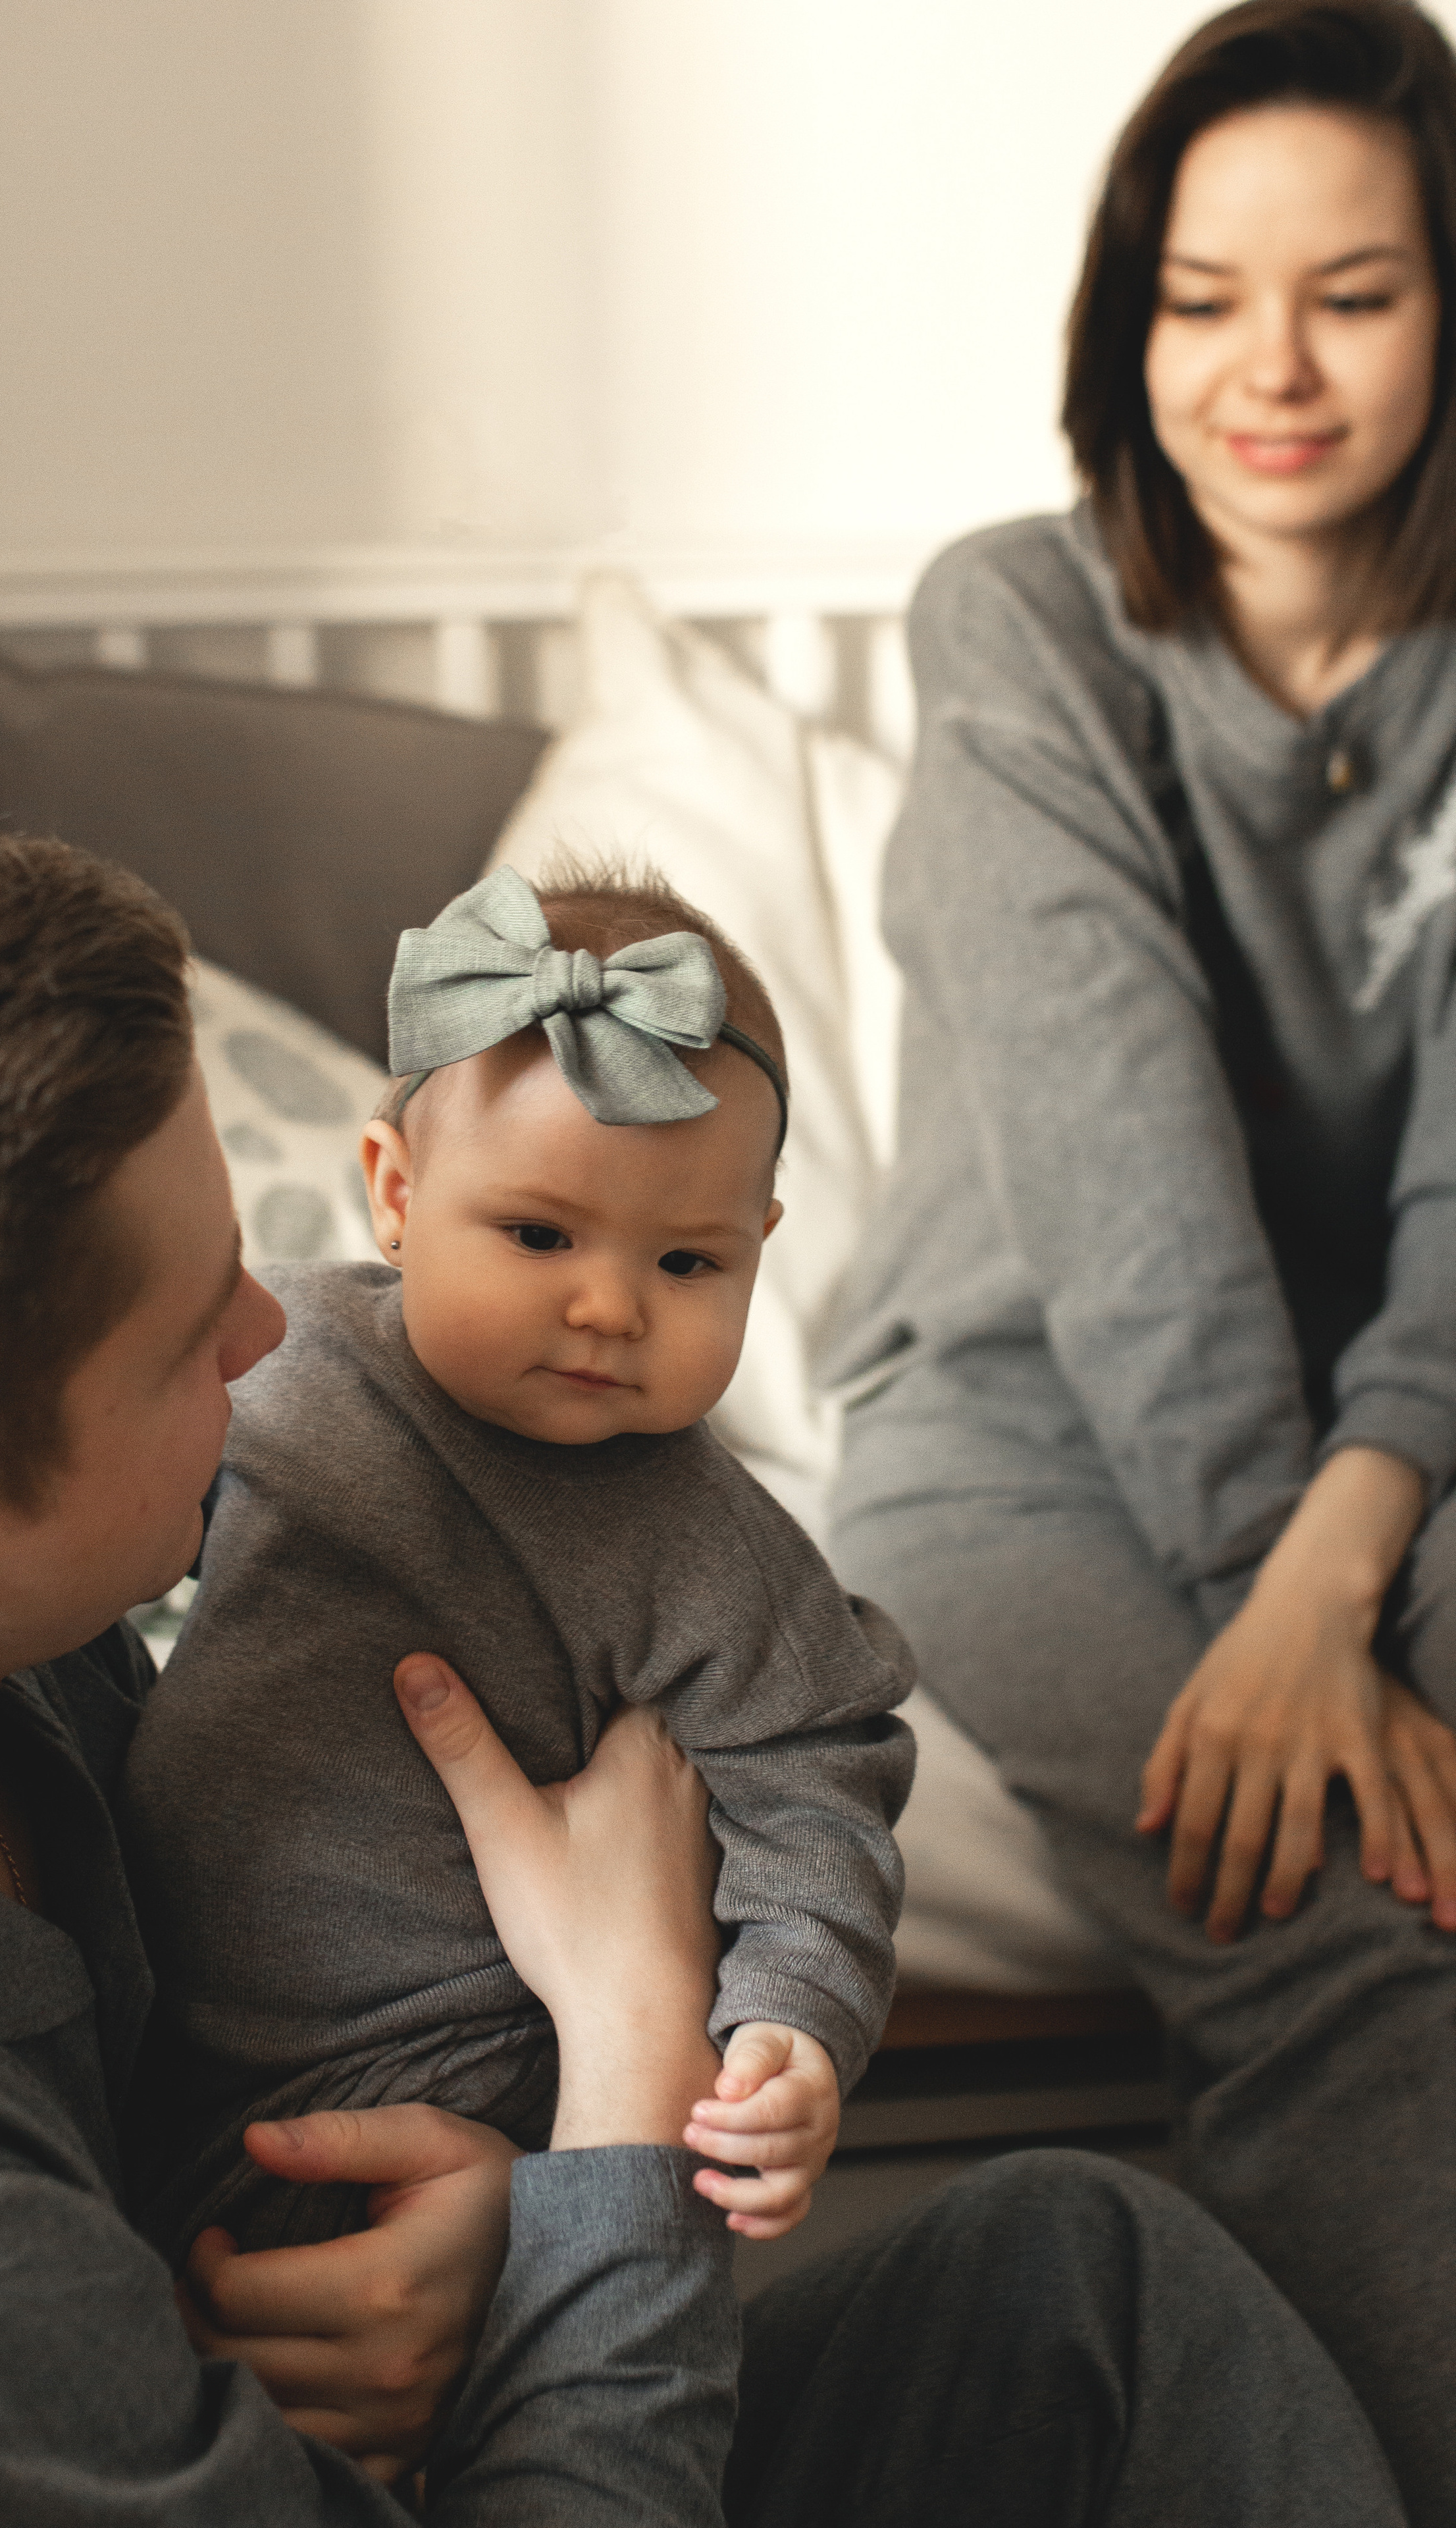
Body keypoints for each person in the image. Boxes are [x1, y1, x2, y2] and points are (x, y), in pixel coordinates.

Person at [0, 818, 1411, 2525]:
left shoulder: (6, 1676)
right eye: (195, 1335)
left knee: (1084, 2277)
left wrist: (501, 2227)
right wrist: (628, 2062)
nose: (279, 1333)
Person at [825, 2, 1456, 2517]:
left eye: (1357, 293)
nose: (1263, 371)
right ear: (1127, 315)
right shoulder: (1022, 628)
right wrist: (1266, 1593)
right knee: (1334, 1946)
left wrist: (1355, 1540)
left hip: (1389, 1433)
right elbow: (1118, 1178)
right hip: (1029, 1430)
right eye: (1201, 296)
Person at [122, 864, 908, 2265]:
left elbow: (818, 1778)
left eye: (685, 1263)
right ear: (393, 1191)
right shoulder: (272, 1359)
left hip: (477, 2085)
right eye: (537, 1235)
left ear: (758, 1253)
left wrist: (794, 2019)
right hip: (161, 2043)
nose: (607, 1305)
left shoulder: (700, 1539)